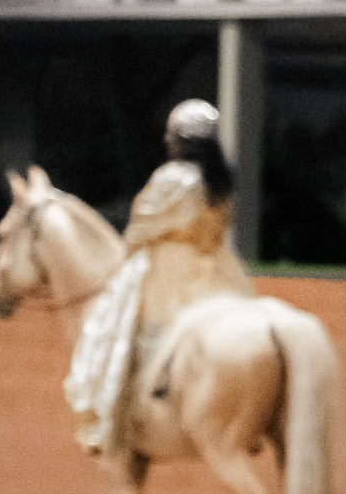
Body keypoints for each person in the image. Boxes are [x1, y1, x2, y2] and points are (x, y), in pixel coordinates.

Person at [64, 99, 254, 456]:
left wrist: (129, 246)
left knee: (114, 329)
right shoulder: (223, 179)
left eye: (171, 137)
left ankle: (112, 420)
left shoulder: (174, 178)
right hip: (217, 268)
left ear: (180, 140)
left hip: (172, 268)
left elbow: (140, 227)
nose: (167, 142)